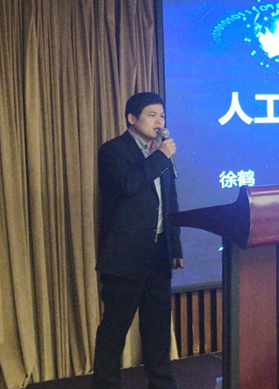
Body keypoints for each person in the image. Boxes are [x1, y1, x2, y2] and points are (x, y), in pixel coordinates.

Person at [93, 92, 183, 389]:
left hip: (158, 253)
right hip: (125, 255)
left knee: (157, 326)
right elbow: (127, 186)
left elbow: (170, 202)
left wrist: (175, 245)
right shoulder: (113, 151)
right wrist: (160, 157)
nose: (160, 122)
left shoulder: (161, 155)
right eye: (152, 115)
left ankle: (162, 384)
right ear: (132, 119)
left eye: (162, 116)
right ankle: (106, 386)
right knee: (115, 328)